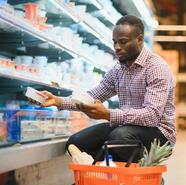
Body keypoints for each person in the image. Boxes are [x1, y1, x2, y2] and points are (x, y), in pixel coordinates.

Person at [30, 15, 176, 162]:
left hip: (158, 133)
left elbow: (151, 116)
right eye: (115, 42)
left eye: (123, 42)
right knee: (76, 143)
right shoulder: (118, 69)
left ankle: (144, 173)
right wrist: (56, 101)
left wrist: (108, 114)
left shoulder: (157, 68)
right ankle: (107, 173)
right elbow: (92, 97)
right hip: (126, 128)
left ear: (139, 39)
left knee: (119, 137)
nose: (117, 47)